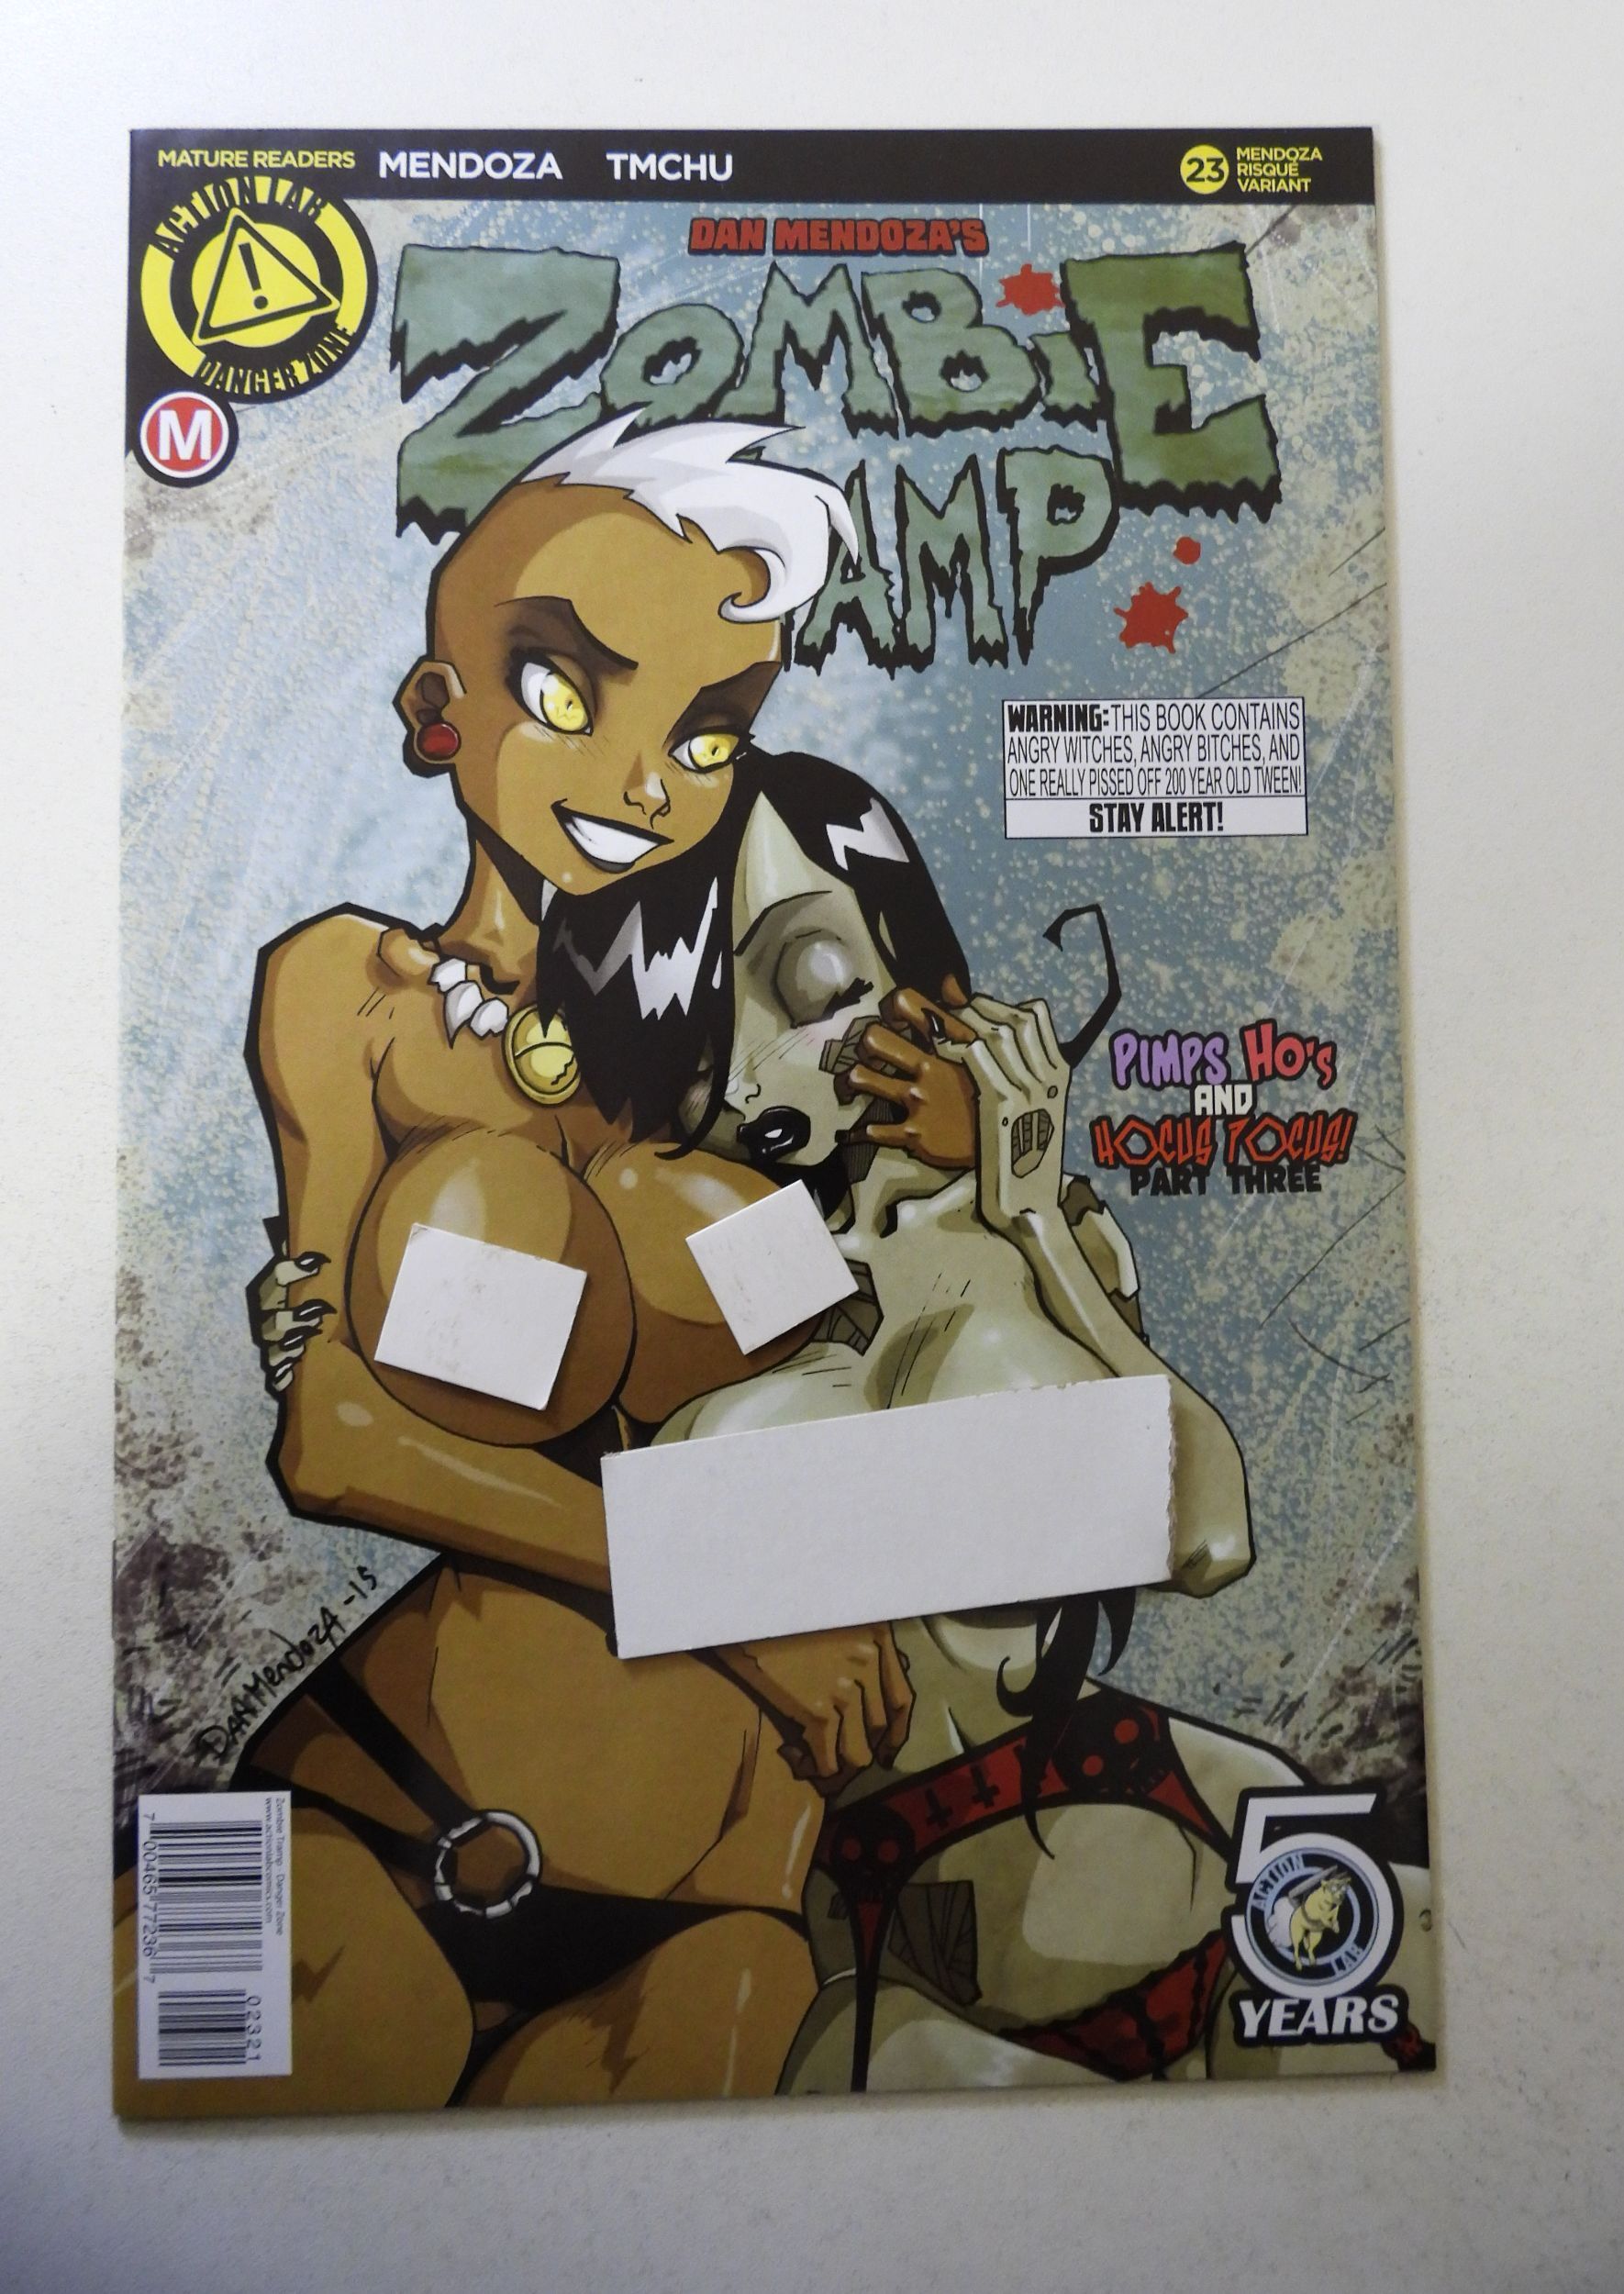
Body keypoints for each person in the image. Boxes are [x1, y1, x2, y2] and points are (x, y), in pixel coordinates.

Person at [115, 416, 917, 2117]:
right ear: (439, 709)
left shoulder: (741, 1062)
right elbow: (333, 1436)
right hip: (391, 1814)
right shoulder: (356, 996)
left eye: (706, 731)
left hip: (717, 1913)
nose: (644, 779)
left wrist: (993, 1176)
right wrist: (729, 1597)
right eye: (567, 691)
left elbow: (870, 1410)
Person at [632, 754, 1432, 2090]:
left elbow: (1208, 1532)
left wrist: (1032, 1210)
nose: (774, 1048)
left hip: (1181, 1811)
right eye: (706, 1010)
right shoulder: (682, 1292)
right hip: (883, 1939)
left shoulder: (1030, 1236)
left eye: (815, 973)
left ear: (916, 968)